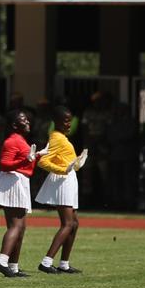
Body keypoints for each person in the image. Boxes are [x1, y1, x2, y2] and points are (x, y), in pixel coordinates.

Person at [0, 110, 41, 278]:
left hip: (20, 181)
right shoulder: (12, 141)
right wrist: (28, 159)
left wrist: (37, 156)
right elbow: (4, 164)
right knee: (15, 226)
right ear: (15, 125)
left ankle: (13, 266)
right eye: (23, 120)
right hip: (12, 182)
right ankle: (2, 261)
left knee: (21, 228)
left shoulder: (21, 140)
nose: (28, 122)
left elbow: (26, 163)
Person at [35, 106, 88, 275]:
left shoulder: (62, 137)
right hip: (62, 182)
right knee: (68, 223)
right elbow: (42, 161)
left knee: (74, 224)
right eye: (65, 120)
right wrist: (62, 170)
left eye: (70, 120)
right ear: (56, 122)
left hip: (69, 180)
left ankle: (64, 263)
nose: (69, 123)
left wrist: (78, 163)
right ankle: (47, 261)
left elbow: (66, 161)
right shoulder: (57, 138)